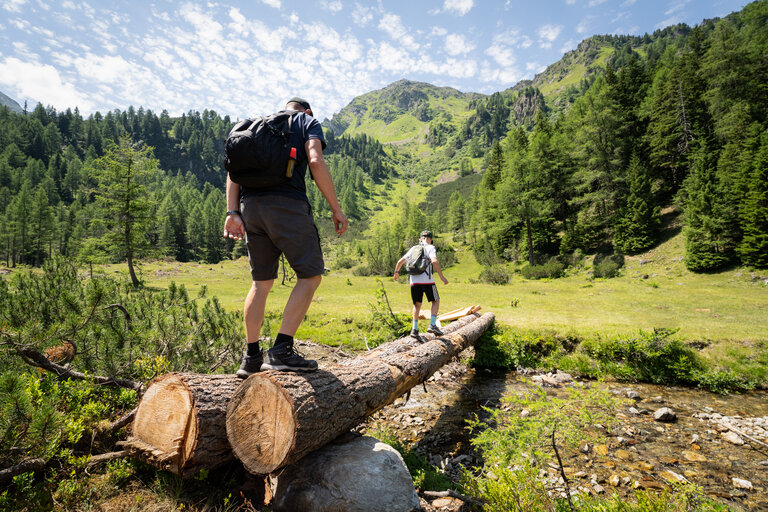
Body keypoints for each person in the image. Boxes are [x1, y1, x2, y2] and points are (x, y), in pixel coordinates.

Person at [224, 97, 348, 377]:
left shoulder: (256, 125)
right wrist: (336, 209)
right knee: (310, 274)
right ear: (306, 110)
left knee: (261, 283)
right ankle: (281, 350)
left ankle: (251, 357)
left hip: (250, 208)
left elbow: (234, 171)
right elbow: (315, 160)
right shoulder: (306, 121)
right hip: (286, 205)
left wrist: (232, 211)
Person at [393, 230, 449, 338]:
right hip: (427, 281)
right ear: (431, 239)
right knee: (435, 300)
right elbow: (434, 261)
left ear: (420, 239)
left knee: (417, 305)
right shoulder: (430, 247)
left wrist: (396, 273)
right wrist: (442, 277)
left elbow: (400, 261)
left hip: (413, 281)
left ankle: (414, 329)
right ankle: (432, 324)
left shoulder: (413, 248)